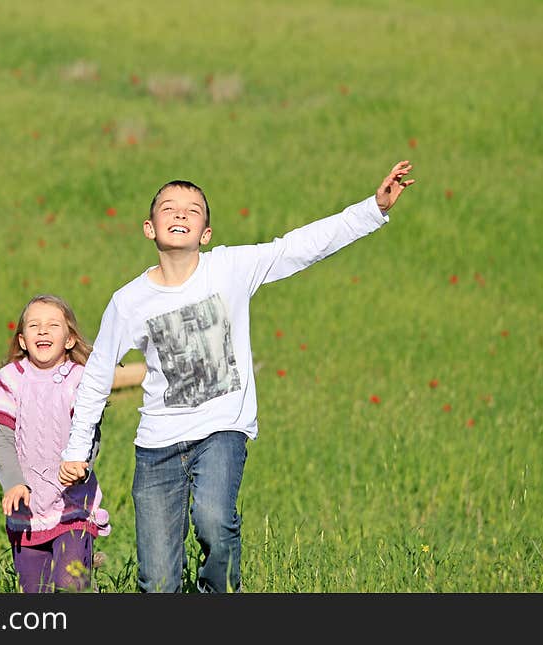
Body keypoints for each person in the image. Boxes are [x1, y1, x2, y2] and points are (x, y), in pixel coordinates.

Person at [59, 161, 416, 592]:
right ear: (149, 228)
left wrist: (372, 210)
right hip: (156, 446)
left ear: (205, 235)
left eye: (193, 211)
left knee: (214, 520)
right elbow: (97, 377)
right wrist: (76, 449)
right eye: (169, 208)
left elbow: (297, 247)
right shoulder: (129, 301)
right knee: (158, 580)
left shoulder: (228, 268)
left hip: (222, 430)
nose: (180, 215)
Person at [0, 293, 113, 593]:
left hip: (73, 503)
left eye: (53, 325)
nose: (42, 330)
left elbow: (90, 432)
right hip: (27, 509)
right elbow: (2, 441)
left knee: (70, 584)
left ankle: (83, 572)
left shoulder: (80, 380)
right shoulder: (9, 381)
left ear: (69, 340)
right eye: (34, 325)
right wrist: (14, 483)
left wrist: (82, 465)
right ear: (22, 341)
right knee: (34, 589)